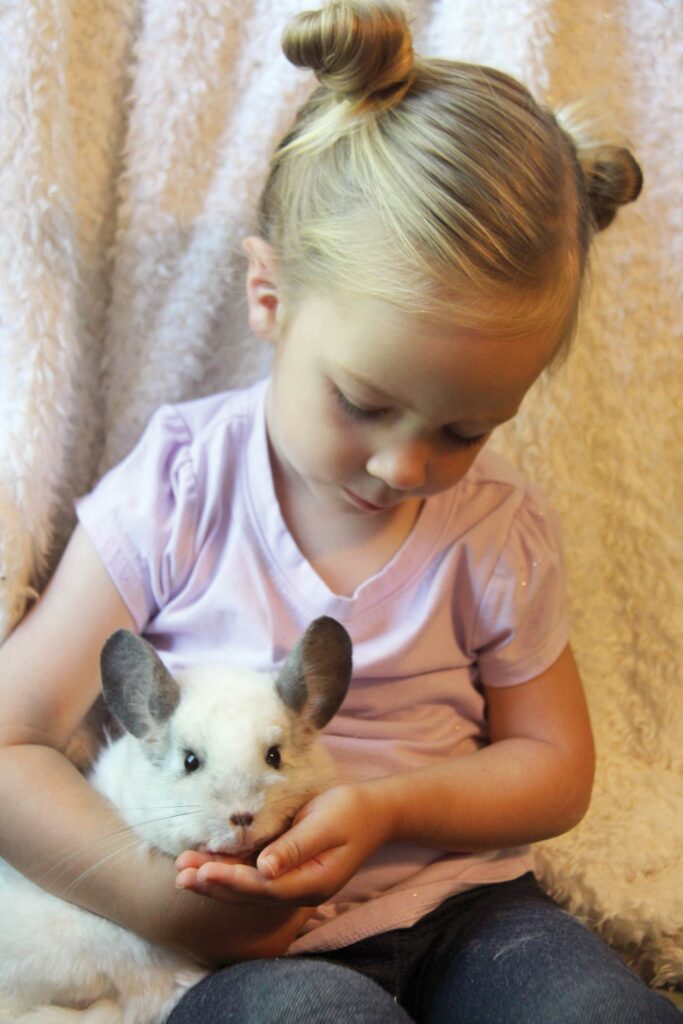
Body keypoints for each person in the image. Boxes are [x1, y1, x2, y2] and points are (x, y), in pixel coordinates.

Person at [0, 1, 676, 1022]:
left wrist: (389, 806)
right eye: (362, 403)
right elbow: (9, 740)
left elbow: (553, 766)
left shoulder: (495, 529)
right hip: (231, 943)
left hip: (468, 910)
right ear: (268, 297)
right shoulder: (185, 485)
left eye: (465, 429)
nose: (405, 464)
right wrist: (173, 912)